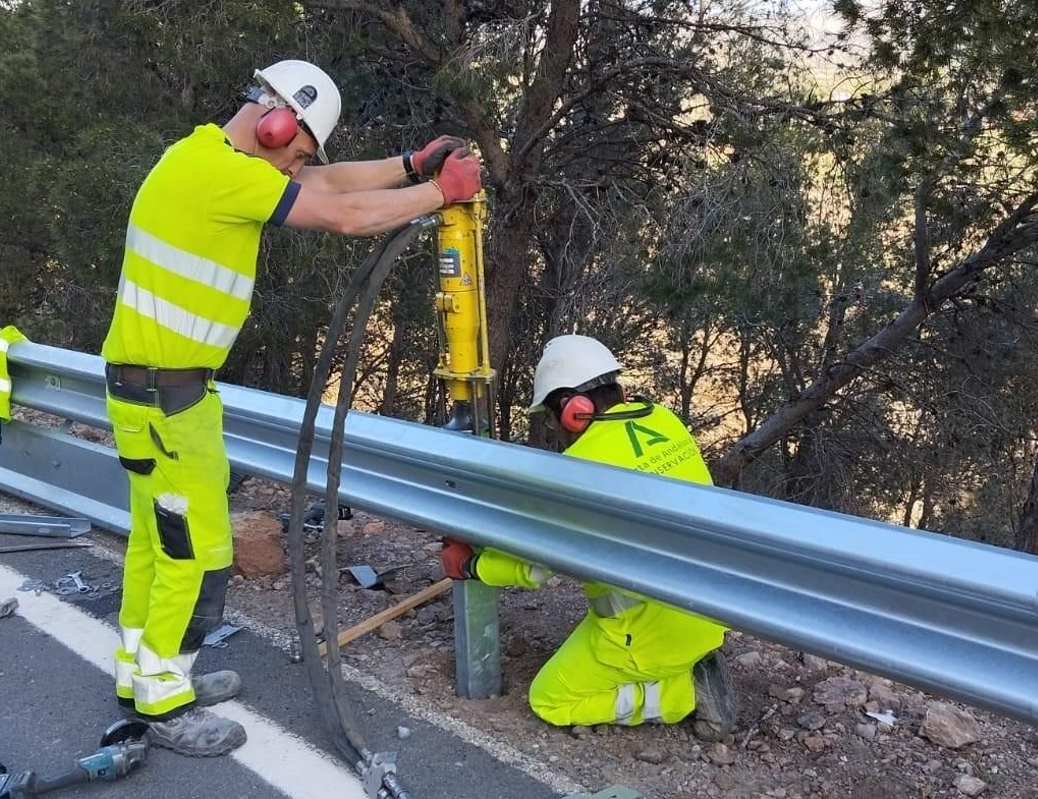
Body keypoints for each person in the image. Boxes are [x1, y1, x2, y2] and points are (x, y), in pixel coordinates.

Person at [101, 58, 481, 757]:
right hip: (166, 401)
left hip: (158, 395)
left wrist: (409, 164)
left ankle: (142, 674)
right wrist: (438, 192)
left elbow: (326, 184)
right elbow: (342, 213)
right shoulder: (217, 173)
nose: (294, 168)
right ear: (275, 124)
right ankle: (163, 699)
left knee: (158, 546)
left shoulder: (204, 160)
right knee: (197, 554)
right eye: (297, 152)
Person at [441, 334, 738, 739]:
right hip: (710, 609)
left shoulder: (581, 470)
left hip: (650, 630)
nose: (555, 430)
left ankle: (684, 693)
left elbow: (535, 567)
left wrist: (473, 565)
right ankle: (691, 659)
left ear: (573, 411)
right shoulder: (662, 419)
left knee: (551, 701)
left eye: (551, 418)